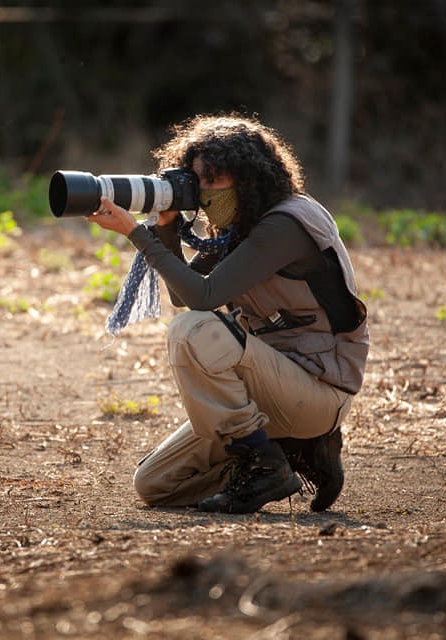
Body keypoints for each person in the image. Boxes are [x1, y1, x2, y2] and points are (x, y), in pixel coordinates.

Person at [86, 113, 369, 514]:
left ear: (250, 179)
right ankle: (290, 452)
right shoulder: (241, 225)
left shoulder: (287, 224)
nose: (201, 193)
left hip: (318, 390)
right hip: (268, 386)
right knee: (155, 484)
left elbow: (202, 298)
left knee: (192, 331)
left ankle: (267, 464)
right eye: (195, 180)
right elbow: (184, 294)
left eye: (213, 180)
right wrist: (165, 224)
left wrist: (136, 233)